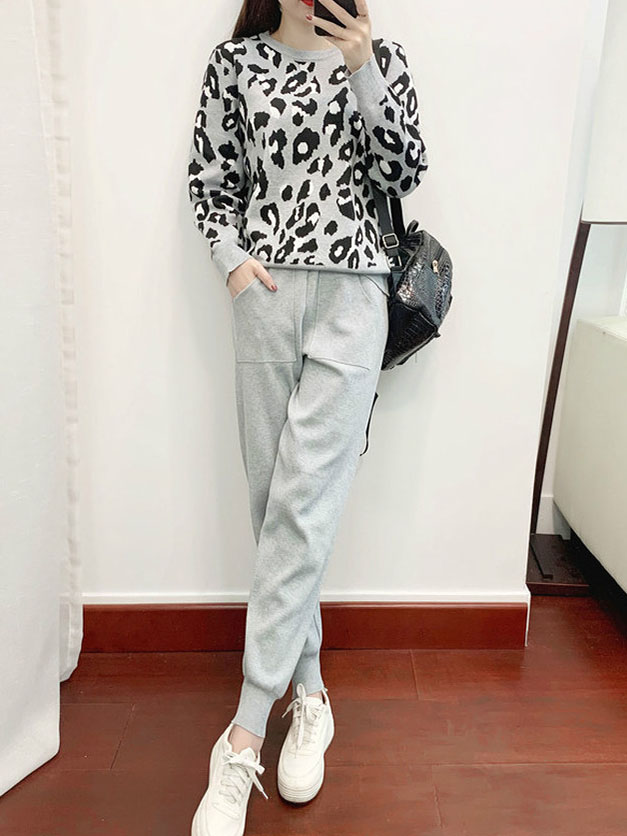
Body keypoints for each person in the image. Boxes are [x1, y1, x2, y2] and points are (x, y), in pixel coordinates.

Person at [187, 0, 428, 832]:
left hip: (354, 301)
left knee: (302, 507)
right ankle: (312, 691)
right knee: (275, 507)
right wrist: (231, 261)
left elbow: (404, 170)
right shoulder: (234, 64)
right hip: (265, 295)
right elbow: (210, 179)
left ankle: (244, 734)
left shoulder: (380, 58)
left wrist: (363, 68)